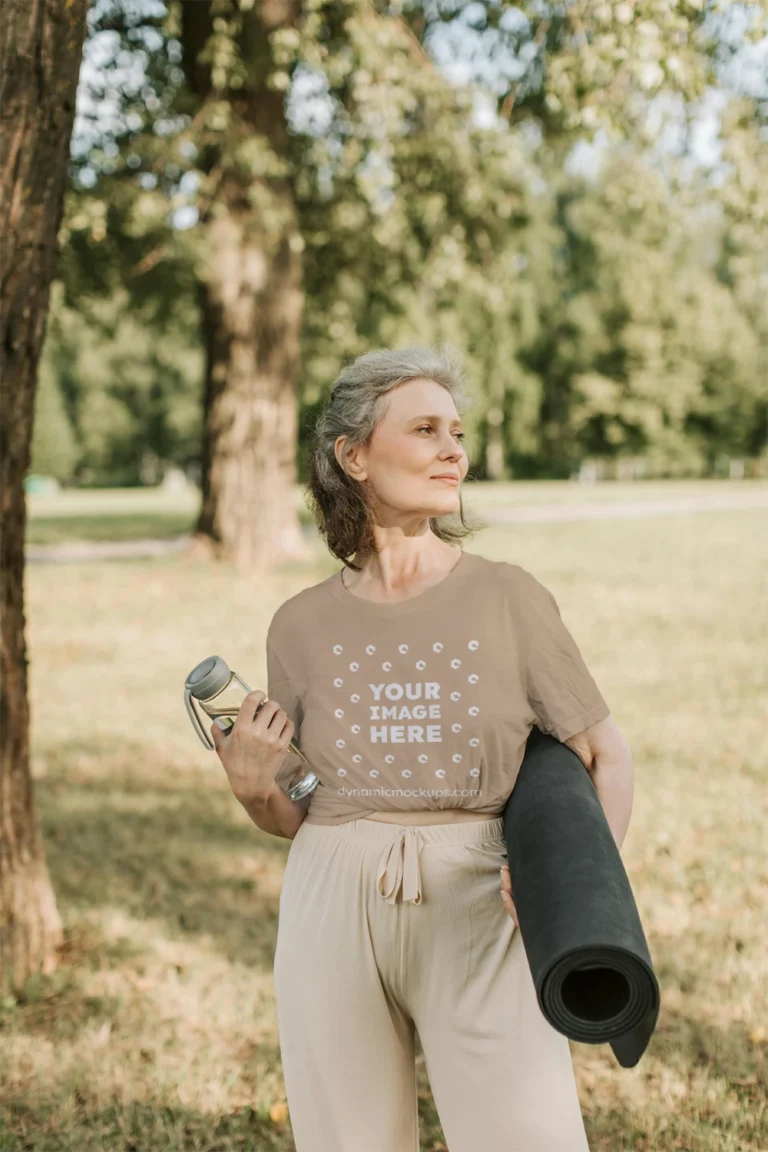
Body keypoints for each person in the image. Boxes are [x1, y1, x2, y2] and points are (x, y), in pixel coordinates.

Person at [211, 345, 621, 1151]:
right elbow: (292, 811)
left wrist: (576, 890)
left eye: (457, 432)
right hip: (330, 890)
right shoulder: (298, 623)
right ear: (353, 455)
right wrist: (255, 785)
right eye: (426, 428)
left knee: (525, 1135)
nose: (453, 450)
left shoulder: (508, 596)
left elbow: (604, 750)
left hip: (480, 891)